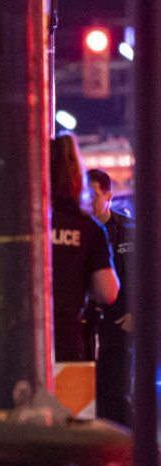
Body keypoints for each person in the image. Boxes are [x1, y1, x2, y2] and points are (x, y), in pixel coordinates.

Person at [48, 136, 118, 363]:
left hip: (16, 344)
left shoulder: (17, 223)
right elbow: (107, 292)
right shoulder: (88, 228)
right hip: (66, 341)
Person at [85, 167, 134, 424]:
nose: (88, 200)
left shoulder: (129, 230)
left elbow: (149, 275)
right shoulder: (82, 230)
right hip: (89, 327)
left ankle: (130, 443)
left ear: (108, 196)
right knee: (90, 395)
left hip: (120, 325)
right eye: (84, 194)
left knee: (117, 395)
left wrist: (137, 315)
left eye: (93, 194)